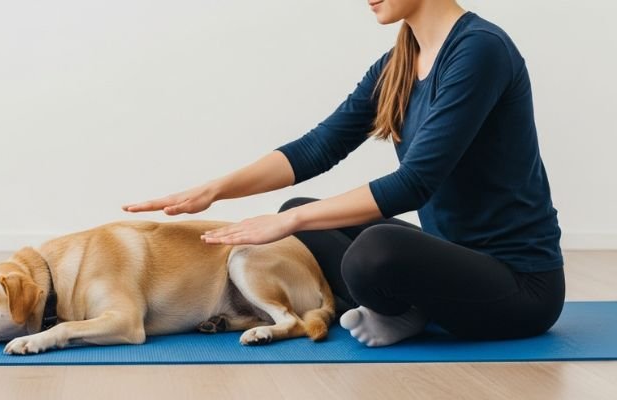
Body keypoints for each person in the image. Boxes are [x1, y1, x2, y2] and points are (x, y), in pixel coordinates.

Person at [122, 0, 565, 347]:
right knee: (301, 214)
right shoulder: (399, 62)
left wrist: (286, 222)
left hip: (522, 287)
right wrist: (215, 190)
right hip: (453, 262)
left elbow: (414, 183)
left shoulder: (481, 49)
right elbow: (318, 147)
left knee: (370, 250)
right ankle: (409, 308)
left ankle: (404, 309)